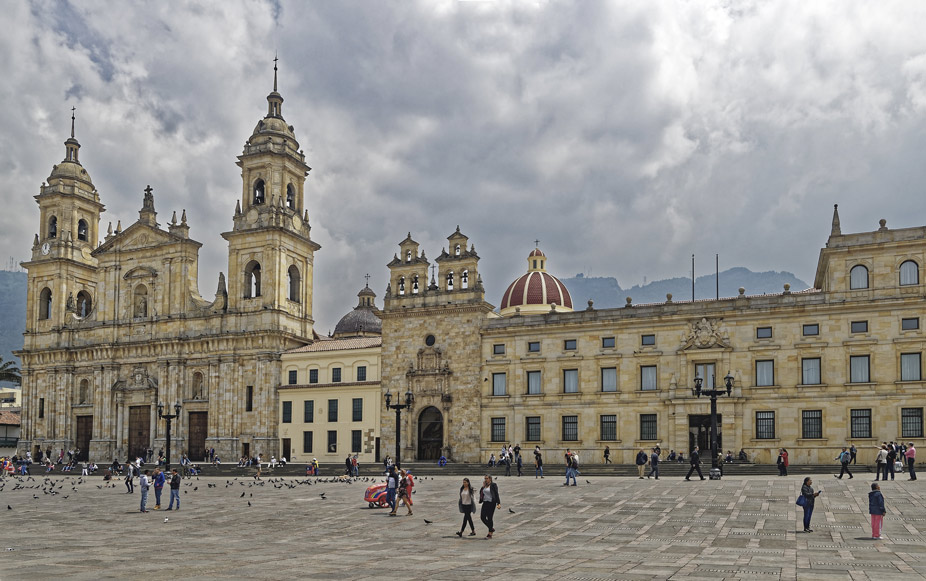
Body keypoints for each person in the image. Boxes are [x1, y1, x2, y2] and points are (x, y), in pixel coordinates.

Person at [479, 474, 501, 539]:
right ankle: (491, 528)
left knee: (489, 517)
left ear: (490, 479)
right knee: (482, 517)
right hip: (485, 502)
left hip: (492, 503)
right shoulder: (484, 486)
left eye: (487, 478)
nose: (485, 480)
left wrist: (498, 503)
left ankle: (490, 534)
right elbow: (481, 492)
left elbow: (496, 494)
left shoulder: (493, 485)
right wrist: (483, 486)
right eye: (485, 478)